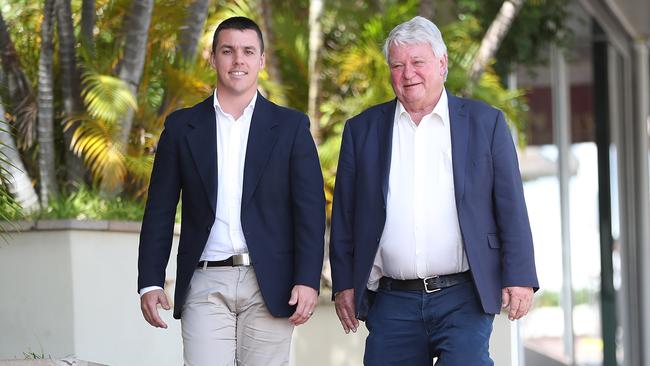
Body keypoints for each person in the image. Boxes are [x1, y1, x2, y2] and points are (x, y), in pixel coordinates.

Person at [329, 16, 539, 365]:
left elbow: (510, 206)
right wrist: (344, 284)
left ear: (441, 64)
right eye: (397, 65)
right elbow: (345, 215)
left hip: (463, 296)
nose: (407, 73)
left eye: (417, 62)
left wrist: (519, 276)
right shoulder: (362, 130)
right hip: (392, 301)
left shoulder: (485, 123)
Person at [137, 16, 325, 366]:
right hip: (205, 283)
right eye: (228, 51)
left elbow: (310, 211)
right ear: (213, 58)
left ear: (261, 60)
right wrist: (150, 280)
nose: (238, 60)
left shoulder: (291, 127)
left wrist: (307, 279)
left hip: (270, 283)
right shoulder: (181, 128)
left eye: (248, 51)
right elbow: (160, 210)